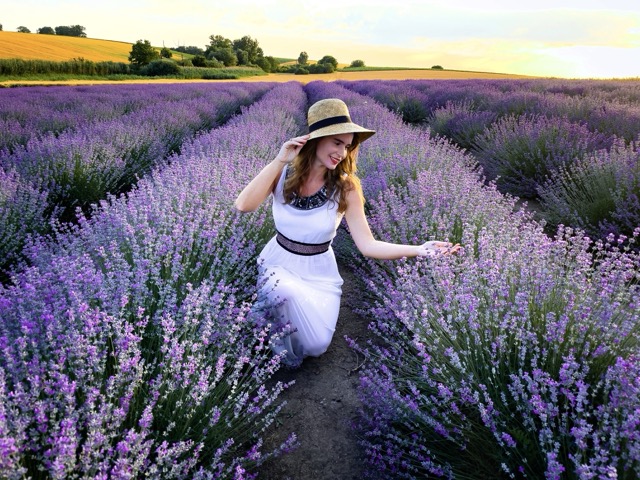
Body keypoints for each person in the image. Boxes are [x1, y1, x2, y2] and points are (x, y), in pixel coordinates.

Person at [235, 98, 459, 367]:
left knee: (316, 346)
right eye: (337, 143)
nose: (342, 152)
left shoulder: (346, 188)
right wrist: (279, 159)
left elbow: (367, 245)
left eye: (348, 145)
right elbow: (243, 205)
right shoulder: (282, 173)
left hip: (318, 274)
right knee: (283, 290)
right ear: (316, 140)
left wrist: (419, 249)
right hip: (279, 264)